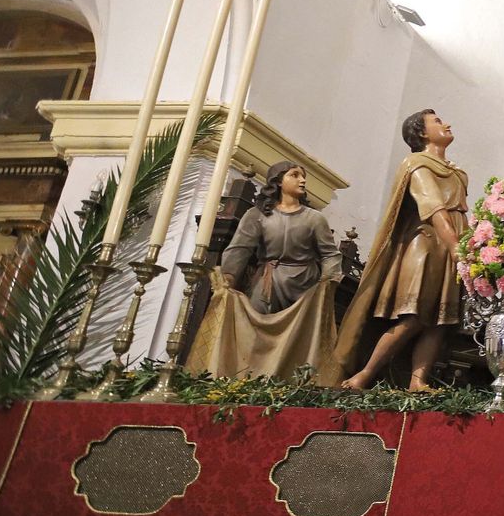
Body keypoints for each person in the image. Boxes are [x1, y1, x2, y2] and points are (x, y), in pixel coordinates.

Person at [332, 109, 469, 390]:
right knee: (414, 316)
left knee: (440, 321)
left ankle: (418, 380)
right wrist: (456, 246)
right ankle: (364, 375)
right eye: (438, 122)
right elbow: (433, 207)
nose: (447, 123)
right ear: (421, 132)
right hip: (427, 245)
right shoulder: (417, 163)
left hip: (453, 246)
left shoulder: (457, 172)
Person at [185, 161, 341, 381]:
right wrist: (229, 276)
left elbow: (330, 253)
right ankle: (250, 379)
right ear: (278, 181)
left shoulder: (314, 218)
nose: (302, 180)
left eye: (303, 176)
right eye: (295, 175)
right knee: (254, 330)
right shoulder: (257, 215)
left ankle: (290, 382)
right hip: (267, 280)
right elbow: (240, 247)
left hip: (303, 284)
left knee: (298, 336)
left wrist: (329, 279)